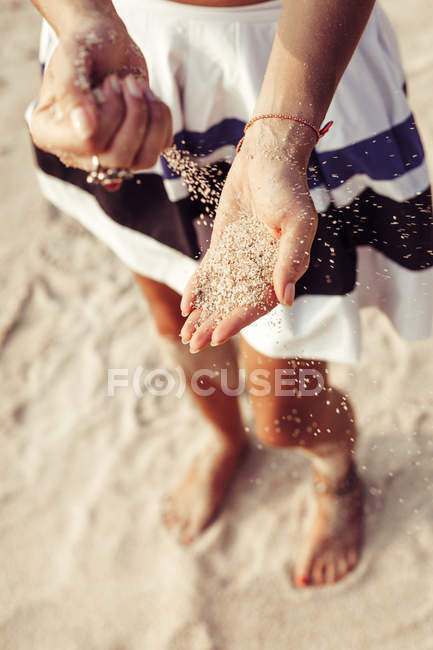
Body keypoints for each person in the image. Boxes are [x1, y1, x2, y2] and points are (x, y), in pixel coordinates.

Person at [28, 0, 433, 587]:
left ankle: (335, 470)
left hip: (296, 65)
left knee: (282, 408)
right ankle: (223, 438)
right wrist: (82, 23)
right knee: (177, 320)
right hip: (125, 60)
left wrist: (280, 140)